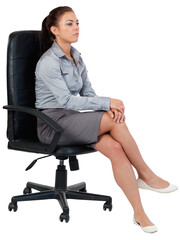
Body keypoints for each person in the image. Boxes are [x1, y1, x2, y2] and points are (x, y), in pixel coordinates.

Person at [35, 6, 178, 233]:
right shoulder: (49, 62)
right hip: (52, 124)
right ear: (54, 30)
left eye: (77, 22)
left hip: (72, 121)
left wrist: (104, 109)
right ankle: (146, 175)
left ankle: (139, 213)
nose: (76, 28)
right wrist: (106, 105)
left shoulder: (76, 56)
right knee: (114, 119)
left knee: (116, 148)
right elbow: (66, 101)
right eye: (69, 24)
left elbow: (88, 93)